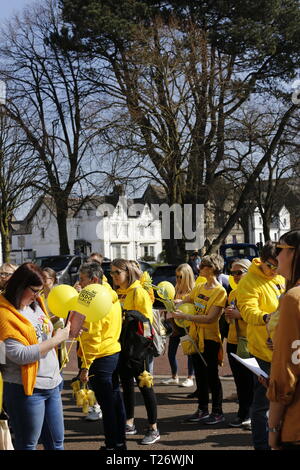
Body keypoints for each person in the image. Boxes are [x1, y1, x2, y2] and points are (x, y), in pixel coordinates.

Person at [0, 262, 71, 450]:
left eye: (40, 291)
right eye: (34, 291)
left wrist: (62, 329)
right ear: (20, 285)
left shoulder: (36, 303)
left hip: (52, 383)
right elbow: (20, 355)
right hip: (25, 389)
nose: (38, 296)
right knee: (28, 444)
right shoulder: (4, 313)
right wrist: (57, 340)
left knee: (57, 443)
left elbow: (42, 330)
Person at [235, 241, 285, 450]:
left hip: (283, 350)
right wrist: (266, 317)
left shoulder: (281, 276)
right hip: (264, 353)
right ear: (262, 261)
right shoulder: (249, 281)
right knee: (262, 405)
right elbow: (247, 311)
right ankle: (261, 445)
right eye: (270, 266)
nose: (274, 271)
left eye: (277, 266)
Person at [171, 254, 227, 425]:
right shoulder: (200, 286)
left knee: (212, 376)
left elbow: (211, 318)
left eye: (202, 266)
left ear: (211, 269)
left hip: (210, 339)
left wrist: (186, 315)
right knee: (200, 376)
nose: (199, 268)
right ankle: (202, 409)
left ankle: (217, 412)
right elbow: (188, 299)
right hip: (195, 336)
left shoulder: (220, 292)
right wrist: (174, 302)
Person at [77, 262, 127, 451]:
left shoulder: (96, 301)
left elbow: (94, 337)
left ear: (94, 280)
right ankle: (120, 443)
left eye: (83, 279)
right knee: (115, 401)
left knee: (108, 406)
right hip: (113, 351)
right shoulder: (108, 292)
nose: (80, 284)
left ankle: (112, 446)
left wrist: (85, 366)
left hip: (100, 356)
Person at [111, 258, 160, 445]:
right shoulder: (118, 292)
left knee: (145, 386)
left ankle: (154, 428)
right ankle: (129, 422)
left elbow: (146, 322)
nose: (114, 276)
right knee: (126, 384)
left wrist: (142, 347)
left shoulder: (138, 291)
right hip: (121, 345)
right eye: (112, 272)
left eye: (118, 272)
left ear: (127, 272)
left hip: (137, 348)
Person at [264, 232, 300, 450]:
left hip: (295, 423)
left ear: (294, 253)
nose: (276, 256)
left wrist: (272, 428)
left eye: (280, 249)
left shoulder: (293, 298)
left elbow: (285, 373)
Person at [224, 258, 253, 429]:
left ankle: (249, 414)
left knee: (250, 381)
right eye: (232, 272)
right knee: (239, 380)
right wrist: (229, 316)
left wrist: (239, 315)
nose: (234, 275)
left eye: (239, 272)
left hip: (249, 341)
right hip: (234, 340)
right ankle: (242, 413)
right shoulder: (233, 293)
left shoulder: (252, 290)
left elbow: (264, 315)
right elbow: (230, 318)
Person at [161, 263, 195, 387]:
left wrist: (180, 303)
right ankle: (174, 376)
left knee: (189, 352)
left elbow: (195, 307)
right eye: (177, 276)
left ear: (187, 277)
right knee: (171, 352)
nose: (178, 279)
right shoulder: (175, 289)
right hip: (175, 326)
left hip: (188, 325)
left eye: (181, 276)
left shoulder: (193, 291)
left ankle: (190, 377)